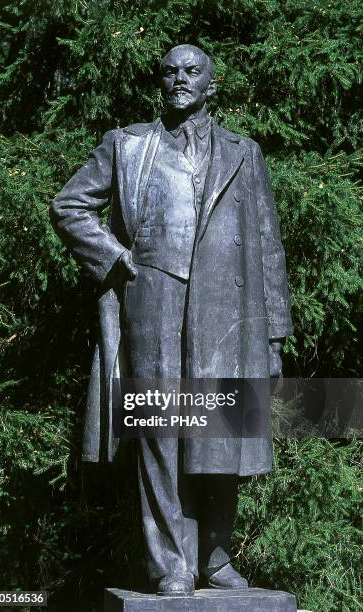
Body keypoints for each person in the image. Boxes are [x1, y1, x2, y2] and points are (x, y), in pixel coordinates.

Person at [50, 44, 293, 597]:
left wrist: (275, 332)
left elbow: (268, 246)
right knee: (160, 433)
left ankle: (216, 557)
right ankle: (170, 564)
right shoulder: (128, 145)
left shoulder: (244, 153)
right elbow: (69, 206)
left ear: (212, 83)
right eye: (170, 72)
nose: (179, 79)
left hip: (226, 314)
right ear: (159, 83)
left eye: (191, 71)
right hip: (152, 301)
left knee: (221, 432)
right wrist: (116, 258)